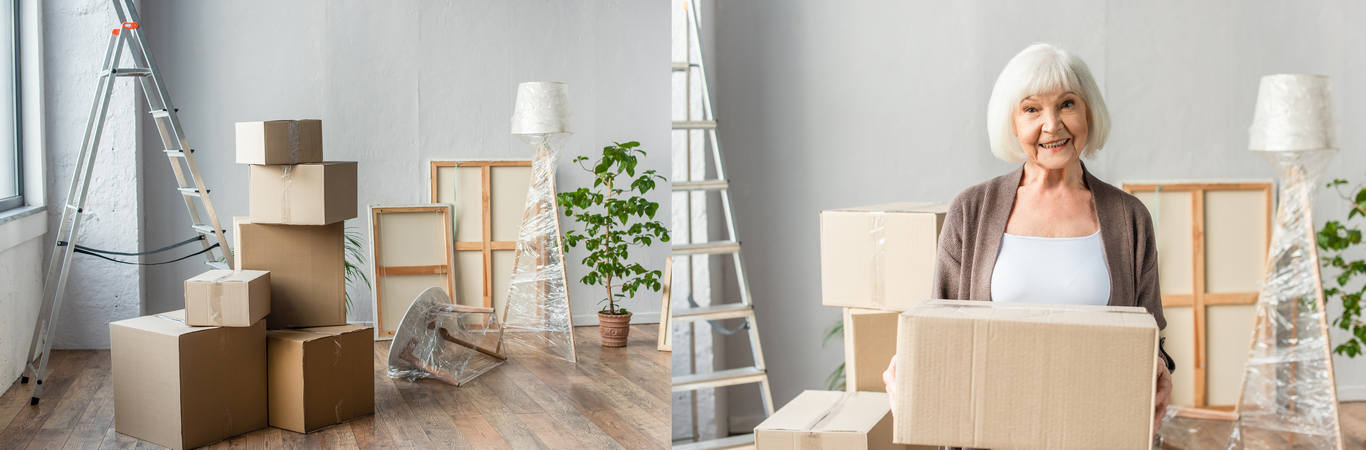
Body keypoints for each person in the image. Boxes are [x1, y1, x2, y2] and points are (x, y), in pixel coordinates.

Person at [881, 43, 1175, 436]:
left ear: (1089, 112)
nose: (1052, 125)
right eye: (1032, 108)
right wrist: (912, 371)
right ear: (1013, 124)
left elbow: (1150, 335)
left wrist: (1158, 369)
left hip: (1095, 434)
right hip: (989, 435)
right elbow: (940, 332)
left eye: (1067, 104)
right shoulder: (970, 211)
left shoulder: (1129, 217)